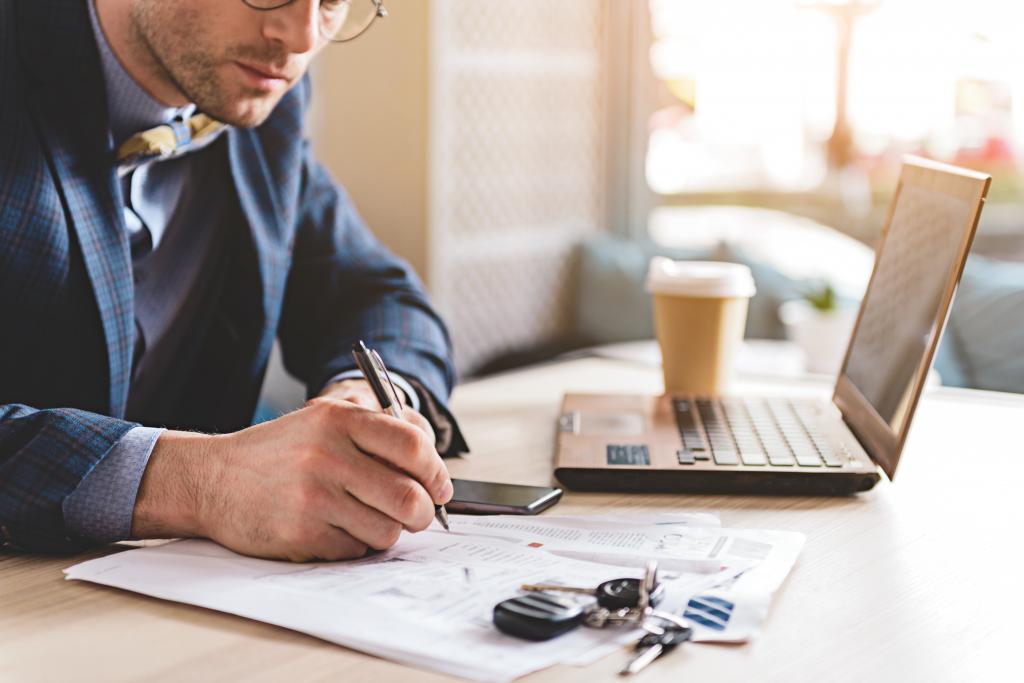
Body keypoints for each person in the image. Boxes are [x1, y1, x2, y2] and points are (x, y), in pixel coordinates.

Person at [0, 0, 467, 561]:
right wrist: (201, 482)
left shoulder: (264, 102)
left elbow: (381, 298)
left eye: (334, 2)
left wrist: (365, 406)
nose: (299, 37)